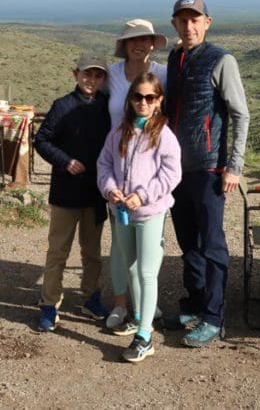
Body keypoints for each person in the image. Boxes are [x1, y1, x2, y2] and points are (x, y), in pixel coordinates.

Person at [163, 0, 250, 347]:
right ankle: (194, 304)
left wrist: (234, 167)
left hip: (211, 169)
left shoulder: (221, 60)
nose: (189, 26)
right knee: (188, 242)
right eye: (182, 20)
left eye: (195, 19)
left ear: (207, 22)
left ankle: (214, 316)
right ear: (174, 24)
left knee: (212, 244)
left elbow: (240, 114)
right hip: (176, 169)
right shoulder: (175, 57)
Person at [97, 73, 181, 362]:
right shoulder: (119, 132)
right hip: (120, 210)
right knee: (129, 265)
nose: (143, 102)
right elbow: (104, 164)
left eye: (150, 97)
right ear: (130, 99)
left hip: (149, 213)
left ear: (159, 101)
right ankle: (136, 315)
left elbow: (171, 174)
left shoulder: (164, 136)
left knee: (146, 271)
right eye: (137, 97)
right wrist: (110, 190)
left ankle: (144, 335)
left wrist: (142, 196)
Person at [33, 54, 112, 332]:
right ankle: (49, 303)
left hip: (95, 192)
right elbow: (41, 140)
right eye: (87, 74)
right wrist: (65, 161)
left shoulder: (107, 108)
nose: (91, 80)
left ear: (104, 79)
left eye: (98, 75)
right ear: (75, 74)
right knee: (58, 251)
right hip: (66, 192)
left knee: (92, 253)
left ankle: (90, 298)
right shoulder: (62, 106)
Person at [103, 19, 169, 330]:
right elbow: (89, 91)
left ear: (153, 43)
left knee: (147, 255)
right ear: (124, 45)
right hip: (117, 170)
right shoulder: (113, 76)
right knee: (120, 247)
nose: (139, 44)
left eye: (144, 39)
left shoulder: (163, 73)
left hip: (149, 176)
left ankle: (144, 310)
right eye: (132, 40)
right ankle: (121, 305)